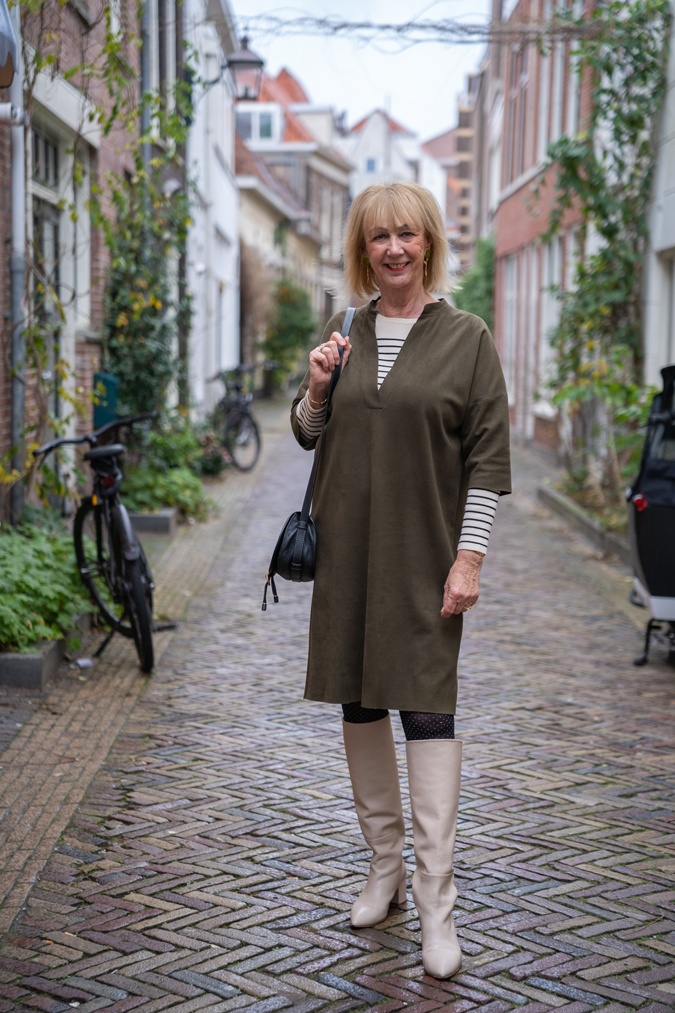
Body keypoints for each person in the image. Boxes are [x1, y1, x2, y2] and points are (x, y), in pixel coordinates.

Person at [290, 181, 511, 979]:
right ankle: (382, 868)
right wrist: (317, 388)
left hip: (424, 558)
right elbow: (308, 432)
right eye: (379, 235)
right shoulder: (346, 330)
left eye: (407, 234)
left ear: (428, 244)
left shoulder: (466, 337)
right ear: (363, 247)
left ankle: (435, 904)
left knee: (425, 709)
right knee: (359, 701)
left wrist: (468, 557)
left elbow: (486, 458)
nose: (393, 248)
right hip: (347, 556)